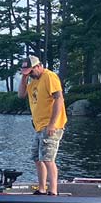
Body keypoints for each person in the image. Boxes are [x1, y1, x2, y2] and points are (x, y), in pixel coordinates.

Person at [18, 55, 65, 195]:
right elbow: (21, 95)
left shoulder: (49, 77)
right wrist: (24, 78)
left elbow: (59, 99)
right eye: (26, 73)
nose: (30, 75)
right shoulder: (32, 82)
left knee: (48, 158)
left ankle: (53, 191)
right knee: (37, 159)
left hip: (51, 125)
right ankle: (42, 188)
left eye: (30, 72)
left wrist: (52, 124)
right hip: (38, 126)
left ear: (38, 66)